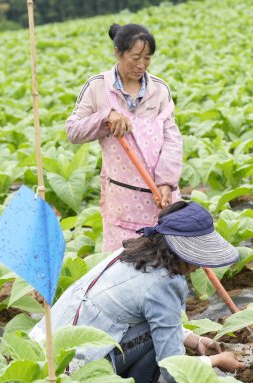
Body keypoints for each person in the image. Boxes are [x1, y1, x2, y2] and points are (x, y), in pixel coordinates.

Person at [30, 201, 244, 383]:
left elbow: (146, 318)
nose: (199, 265)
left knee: (154, 330)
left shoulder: (131, 253)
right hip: (73, 374)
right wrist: (216, 361)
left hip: (41, 356)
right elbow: (172, 371)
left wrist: (194, 340)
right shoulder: (164, 284)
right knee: (156, 339)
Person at [66, 23, 183, 252]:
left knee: (165, 263)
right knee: (124, 265)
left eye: (147, 58)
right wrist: (105, 117)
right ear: (118, 52)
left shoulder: (159, 89)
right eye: (135, 57)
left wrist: (167, 182)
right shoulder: (98, 86)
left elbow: (172, 137)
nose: (142, 65)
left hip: (161, 196)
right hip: (123, 199)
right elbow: (73, 130)